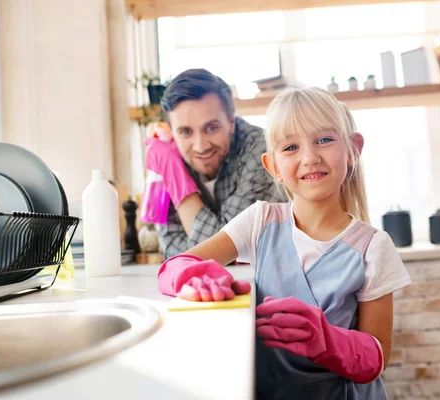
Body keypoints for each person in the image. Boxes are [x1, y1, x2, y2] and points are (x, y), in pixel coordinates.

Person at [156, 88, 412, 399]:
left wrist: (326, 340)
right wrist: (199, 279)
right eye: (291, 147)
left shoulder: (374, 247)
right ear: (273, 166)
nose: (310, 157)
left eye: (325, 140)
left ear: (353, 149)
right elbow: (174, 267)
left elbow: (377, 357)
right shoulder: (260, 221)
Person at [145, 68, 283, 259]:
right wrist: (172, 168)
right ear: (173, 131)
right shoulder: (168, 156)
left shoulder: (261, 152)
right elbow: (174, 254)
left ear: (231, 122)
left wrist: (176, 180)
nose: (200, 146)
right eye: (185, 132)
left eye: (211, 128)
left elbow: (221, 250)